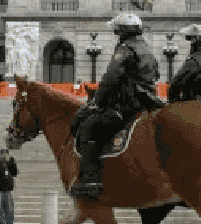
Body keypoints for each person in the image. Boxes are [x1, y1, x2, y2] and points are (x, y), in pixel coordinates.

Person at [70, 13, 163, 200]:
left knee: (89, 127)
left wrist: (98, 101)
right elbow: (156, 75)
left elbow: (112, 77)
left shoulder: (125, 49)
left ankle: (91, 181)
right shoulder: (147, 48)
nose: (116, 34)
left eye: (118, 31)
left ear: (123, 31)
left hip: (126, 104)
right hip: (147, 102)